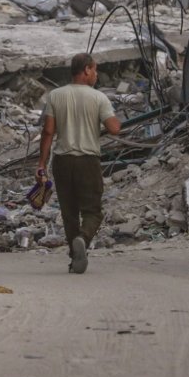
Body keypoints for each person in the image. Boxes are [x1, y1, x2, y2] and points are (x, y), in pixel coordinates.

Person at [36, 53, 121, 274]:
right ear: (86, 70)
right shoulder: (98, 98)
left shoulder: (55, 96)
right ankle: (82, 239)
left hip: (62, 162)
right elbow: (114, 128)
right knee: (93, 211)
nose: (96, 74)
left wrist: (41, 164)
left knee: (69, 211)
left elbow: (48, 132)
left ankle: (75, 258)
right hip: (88, 161)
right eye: (95, 70)